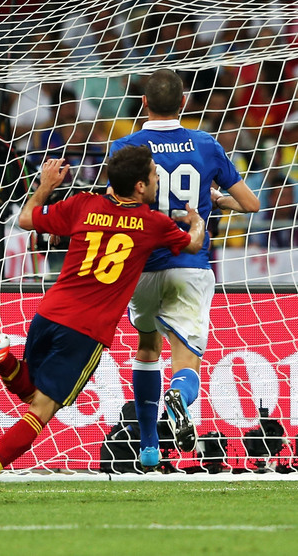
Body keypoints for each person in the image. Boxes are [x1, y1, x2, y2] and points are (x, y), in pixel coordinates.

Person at [0, 147, 204, 504]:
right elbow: (192, 243)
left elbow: (26, 219)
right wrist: (196, 219)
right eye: (153, 175)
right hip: (85, 330)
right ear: (138, 187)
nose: (157, 179)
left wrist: (44, 186)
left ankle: (6, 360)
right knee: (40, 411)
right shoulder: (153, 224)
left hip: (50, 313)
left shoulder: (82, 205)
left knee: (31, 393)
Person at [109, 69, 260, 469]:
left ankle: (149, 446)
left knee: (146, 347)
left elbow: (112, 206)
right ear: (183, 102)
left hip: (141, 266)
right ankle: (179, 396)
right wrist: (213, 202)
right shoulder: (206, 144)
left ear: (143, 103)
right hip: (190, 264)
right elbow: (251, 205)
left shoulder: (127, 147)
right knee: (184, 360)